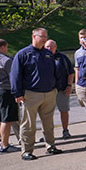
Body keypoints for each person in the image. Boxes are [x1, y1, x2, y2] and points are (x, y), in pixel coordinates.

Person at [9, 28, 63, 160]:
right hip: (31, 94)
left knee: (48, 123)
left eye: (46, 36)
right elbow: (15, 75)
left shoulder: (48, 54)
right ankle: (27, 151)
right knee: (28, 124)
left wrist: (56, 88)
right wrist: (17, 93)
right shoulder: (23, 54)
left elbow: (55, 73)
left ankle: (51, 146)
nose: (45, 39)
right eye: (42, 36)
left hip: (49, 93)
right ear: (34, 36)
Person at [44, 40, 74, 139]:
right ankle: (48, 133)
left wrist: (69, 86)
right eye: (47, 46)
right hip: (47, 90)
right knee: (47, 113)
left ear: (56, 47)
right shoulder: (41, 57)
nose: (49, 48)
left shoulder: (62, 58)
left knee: (64, 110)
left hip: (62, 89)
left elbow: (70, 72)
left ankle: (65, 130)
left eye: (51, 46)